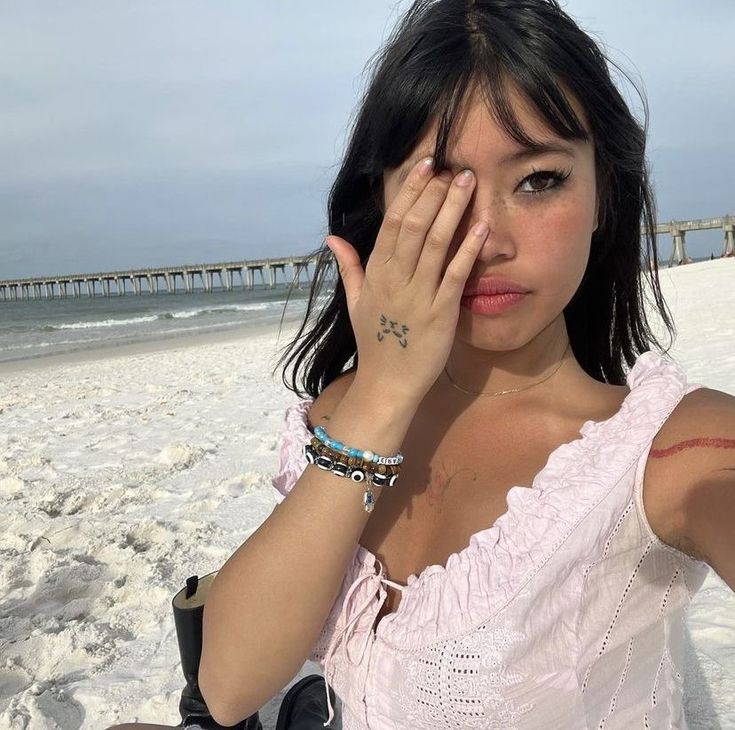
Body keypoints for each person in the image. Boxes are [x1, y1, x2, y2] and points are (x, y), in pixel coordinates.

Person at [107, 0, 735, 728]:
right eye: (441, 188)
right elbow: (227, 685)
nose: (488, 239)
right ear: (381, 202)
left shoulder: (670, 452)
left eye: (538, 180)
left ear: (602, 195)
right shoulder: (344, 411)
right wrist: (383, 394)